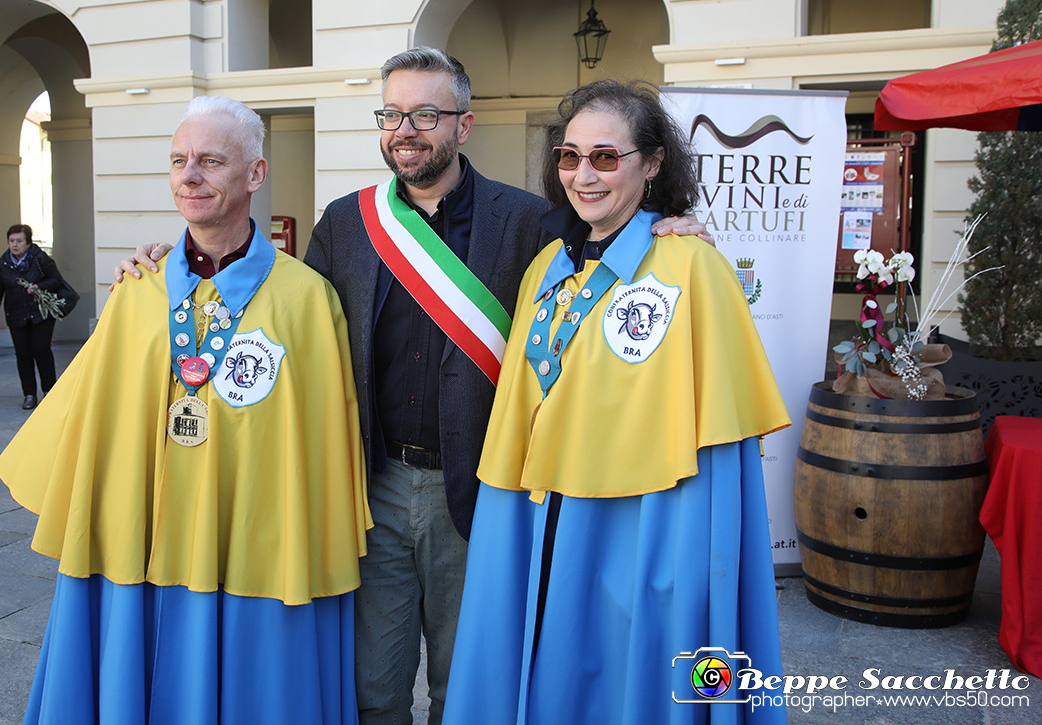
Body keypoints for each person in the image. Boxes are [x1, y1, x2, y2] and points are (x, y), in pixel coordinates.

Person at [114, 49, 711, 725]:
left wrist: (672, 226)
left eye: (426, 113)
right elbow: (279, 320)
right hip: (374, 488)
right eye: (393, 113)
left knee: (470, 684)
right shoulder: (345, 222)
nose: (406, 128)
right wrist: (170, 263)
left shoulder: (527, 221)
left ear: (463, 125)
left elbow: (609, 253)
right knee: (374, 686)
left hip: (482, 490)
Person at [0, 96, 371, 725]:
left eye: (210, 160)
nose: (189, 175)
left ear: (255, 174)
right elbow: (95, 425)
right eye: (178, 161)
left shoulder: (307, 299)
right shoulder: (137, 290)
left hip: (253, 548)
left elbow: (322, 444)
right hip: (141, 544)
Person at [441, 79, 790, 725]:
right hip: (542, 516)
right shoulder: (547, 264)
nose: (583, 174)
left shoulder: (693, 266)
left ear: (652, 162)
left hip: (642, 533)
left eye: (605, 157)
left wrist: (684, 577)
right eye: (569, 157)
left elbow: (715, 452)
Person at [0, 224, 60, 409]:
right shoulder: (4, 263)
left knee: (41, 349)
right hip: (16, 315)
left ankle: (49, 391)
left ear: (28, 242)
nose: (15, 245)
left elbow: (56, 280)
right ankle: (29, 394)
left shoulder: (40, 259)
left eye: (19, 241)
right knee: (23, 354)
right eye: (12, 241)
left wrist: (39, 287)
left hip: (40, 314)